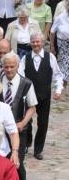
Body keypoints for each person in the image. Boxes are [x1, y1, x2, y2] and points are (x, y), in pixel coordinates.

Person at [0, 52, 37, 180]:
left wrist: (23, 123)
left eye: (12, 67)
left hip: (19, 131)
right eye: (6, 67)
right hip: (0, 132)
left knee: (17, 163)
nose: (8, 70)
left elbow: (32, 107)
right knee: (0, 163)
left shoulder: (26, 83)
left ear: (18, 66)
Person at [22, 31, 65, 159]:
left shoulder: (50, 57)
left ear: (42, 43)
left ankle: (38, 150)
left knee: (43, 123)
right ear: (30, 43)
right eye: (33, 42)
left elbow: (58, 75)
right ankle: (26, 143)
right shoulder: (25, 58)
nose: (35, 44)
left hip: (44, 95)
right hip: (29, 96)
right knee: (26, 122)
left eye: (38, 42)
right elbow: (21, 76)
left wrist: (58, 90)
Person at [50, 5, 69, 85]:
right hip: (63, 42)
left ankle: (65, 78)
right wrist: (52, 46)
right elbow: (52, 32)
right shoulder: (60, 17)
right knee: (65, 60)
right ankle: (64, 79)